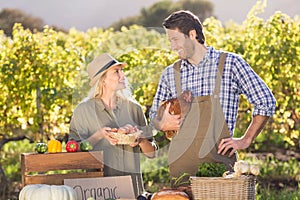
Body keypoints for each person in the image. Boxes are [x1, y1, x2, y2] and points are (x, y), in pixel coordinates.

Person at [149, 10, 276, 178]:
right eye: (170, 41)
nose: (172, 46)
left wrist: (246, 139)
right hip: (181, 171)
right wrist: (162, 124)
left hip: (220, 169)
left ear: (192, 34)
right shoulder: (170, 74)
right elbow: (153, 117)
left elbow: (266, 101)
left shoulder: (230, 64)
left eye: (175, 39)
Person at [69, 53, 157, 197]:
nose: (123, 75)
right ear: (102, 79)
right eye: (116, 71)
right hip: (98, 191)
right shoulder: (83, 111)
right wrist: (99, 135)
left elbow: (152, 153)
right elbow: (73, 153)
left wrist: (140, 139)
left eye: (122, 70)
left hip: (131, 191)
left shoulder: (134, 109)